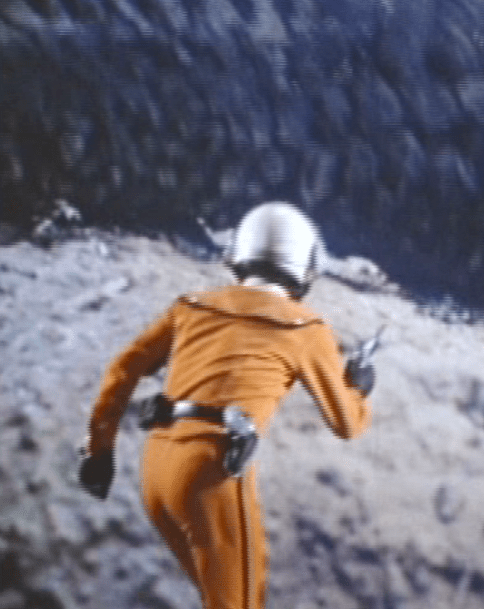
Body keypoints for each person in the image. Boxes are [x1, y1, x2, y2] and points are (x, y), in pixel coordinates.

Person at [78, 202, 375, 609]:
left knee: (217, 597)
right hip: (212, 473)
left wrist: (100, 452)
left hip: (156, 470)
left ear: (238, 253)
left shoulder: (190, 306)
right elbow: (347, 424)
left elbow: (123, 369)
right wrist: (358, 387)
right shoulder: (306, 329)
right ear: (305, 268)